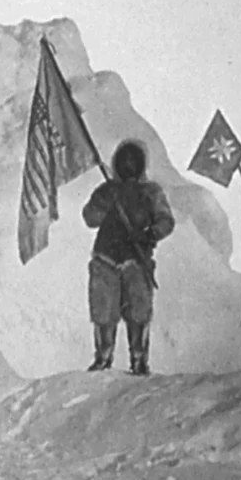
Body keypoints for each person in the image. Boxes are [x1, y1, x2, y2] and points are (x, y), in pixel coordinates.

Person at [81, 139, 175, 375]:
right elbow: (90, 218)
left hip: (136, 258)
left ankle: (139, 358)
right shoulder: (107, 190)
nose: (129, 165)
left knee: (139, 311)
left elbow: (166, 221)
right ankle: (103, 356)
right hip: (106, 257)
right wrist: (103, 200)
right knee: (103, 310)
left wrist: (148, 234)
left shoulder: (151, 192)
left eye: (133, 160)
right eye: (125, 161)